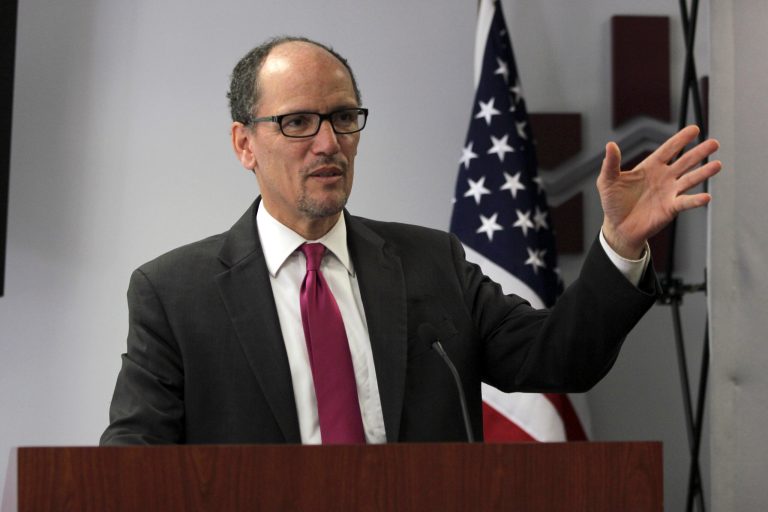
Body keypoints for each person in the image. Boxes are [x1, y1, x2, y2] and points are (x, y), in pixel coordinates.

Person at [100, 36, 721, 445]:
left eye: (343, 117)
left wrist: (621, 243)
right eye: (297, 122)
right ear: (244, 144)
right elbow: (131, 463)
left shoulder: (433, 264)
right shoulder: (174, 294)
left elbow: (561, 359)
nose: (328, 143)